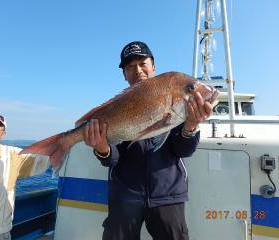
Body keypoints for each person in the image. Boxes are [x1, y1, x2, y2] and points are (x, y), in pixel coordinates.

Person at [83, 41, 213, 240]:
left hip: (167, 195)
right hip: (125, 194)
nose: (138, 70)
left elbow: (183, 151)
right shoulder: (118, 107)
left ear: (153, 66)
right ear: (125, 74)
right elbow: (112, 160)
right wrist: (102, 148)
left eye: (143, 63)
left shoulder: (177, 101)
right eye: (130, 66)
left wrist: (190, 127)